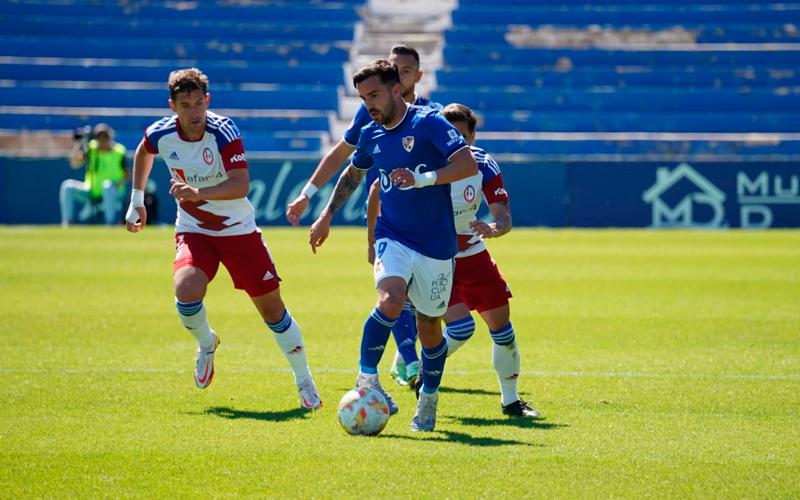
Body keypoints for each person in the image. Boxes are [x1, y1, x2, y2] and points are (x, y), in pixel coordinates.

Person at [125, 68, 321, 410]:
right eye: (185, 105)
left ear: (208, 100)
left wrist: (195, 192)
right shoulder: (160, 133)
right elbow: (143, 152)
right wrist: (137, 200)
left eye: (199, 102)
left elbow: (240, 184)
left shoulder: (223, 129)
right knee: (186, 292)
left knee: (273, 312)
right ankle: (206, 343)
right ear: (172, 106)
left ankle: (304, 380)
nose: (194, 111)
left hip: (238, 231)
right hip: (194, 229)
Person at [309, 60, 478, 431]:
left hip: (436, 243)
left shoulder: (429, 122)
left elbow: (467, 165)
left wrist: (424, 178)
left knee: (430, 329)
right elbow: (354, 174)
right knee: (390, 300)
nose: (368, 104)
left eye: (374, 95)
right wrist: (326, 215)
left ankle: (429, 397)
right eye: (362, 97)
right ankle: (367, 380)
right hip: (393, 235)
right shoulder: (370, 134)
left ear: (396, 90)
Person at [287, 44, 438, 387]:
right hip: (385, 216)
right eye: (395, 67)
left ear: (416, 76)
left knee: (426, 305)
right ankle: (407, 364)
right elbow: (342, 156)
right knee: (392, 293)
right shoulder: (370, 114)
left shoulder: (432, 116)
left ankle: (408, 357)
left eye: (406, 69)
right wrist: (310, 197)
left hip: (429, 224)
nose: (400, 73)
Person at [399, 103, 540, 418]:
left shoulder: (483, 165)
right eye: (450, 135)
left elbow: (504, 217)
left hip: (473, 255)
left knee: (503, 330)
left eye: (463, 136)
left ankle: (511, 402)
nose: (456, 143)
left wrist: (493, 228)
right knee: (461, 329)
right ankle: (427, 370)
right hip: (434, 259)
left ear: (473, 136)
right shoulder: (420, 167)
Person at [60, 123, 127, 227]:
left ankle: (110, 223)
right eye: (99, 137)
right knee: (67, 186)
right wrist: (79, 143)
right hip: (91, 191)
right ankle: (67, 222)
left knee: (107, 186)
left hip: (113, 193)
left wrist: (117, 186)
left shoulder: (119, 151)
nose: (102, 140)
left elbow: (127, 174)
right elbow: (74, 164)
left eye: (105, 136)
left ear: (110, 137)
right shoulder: (91, 149)